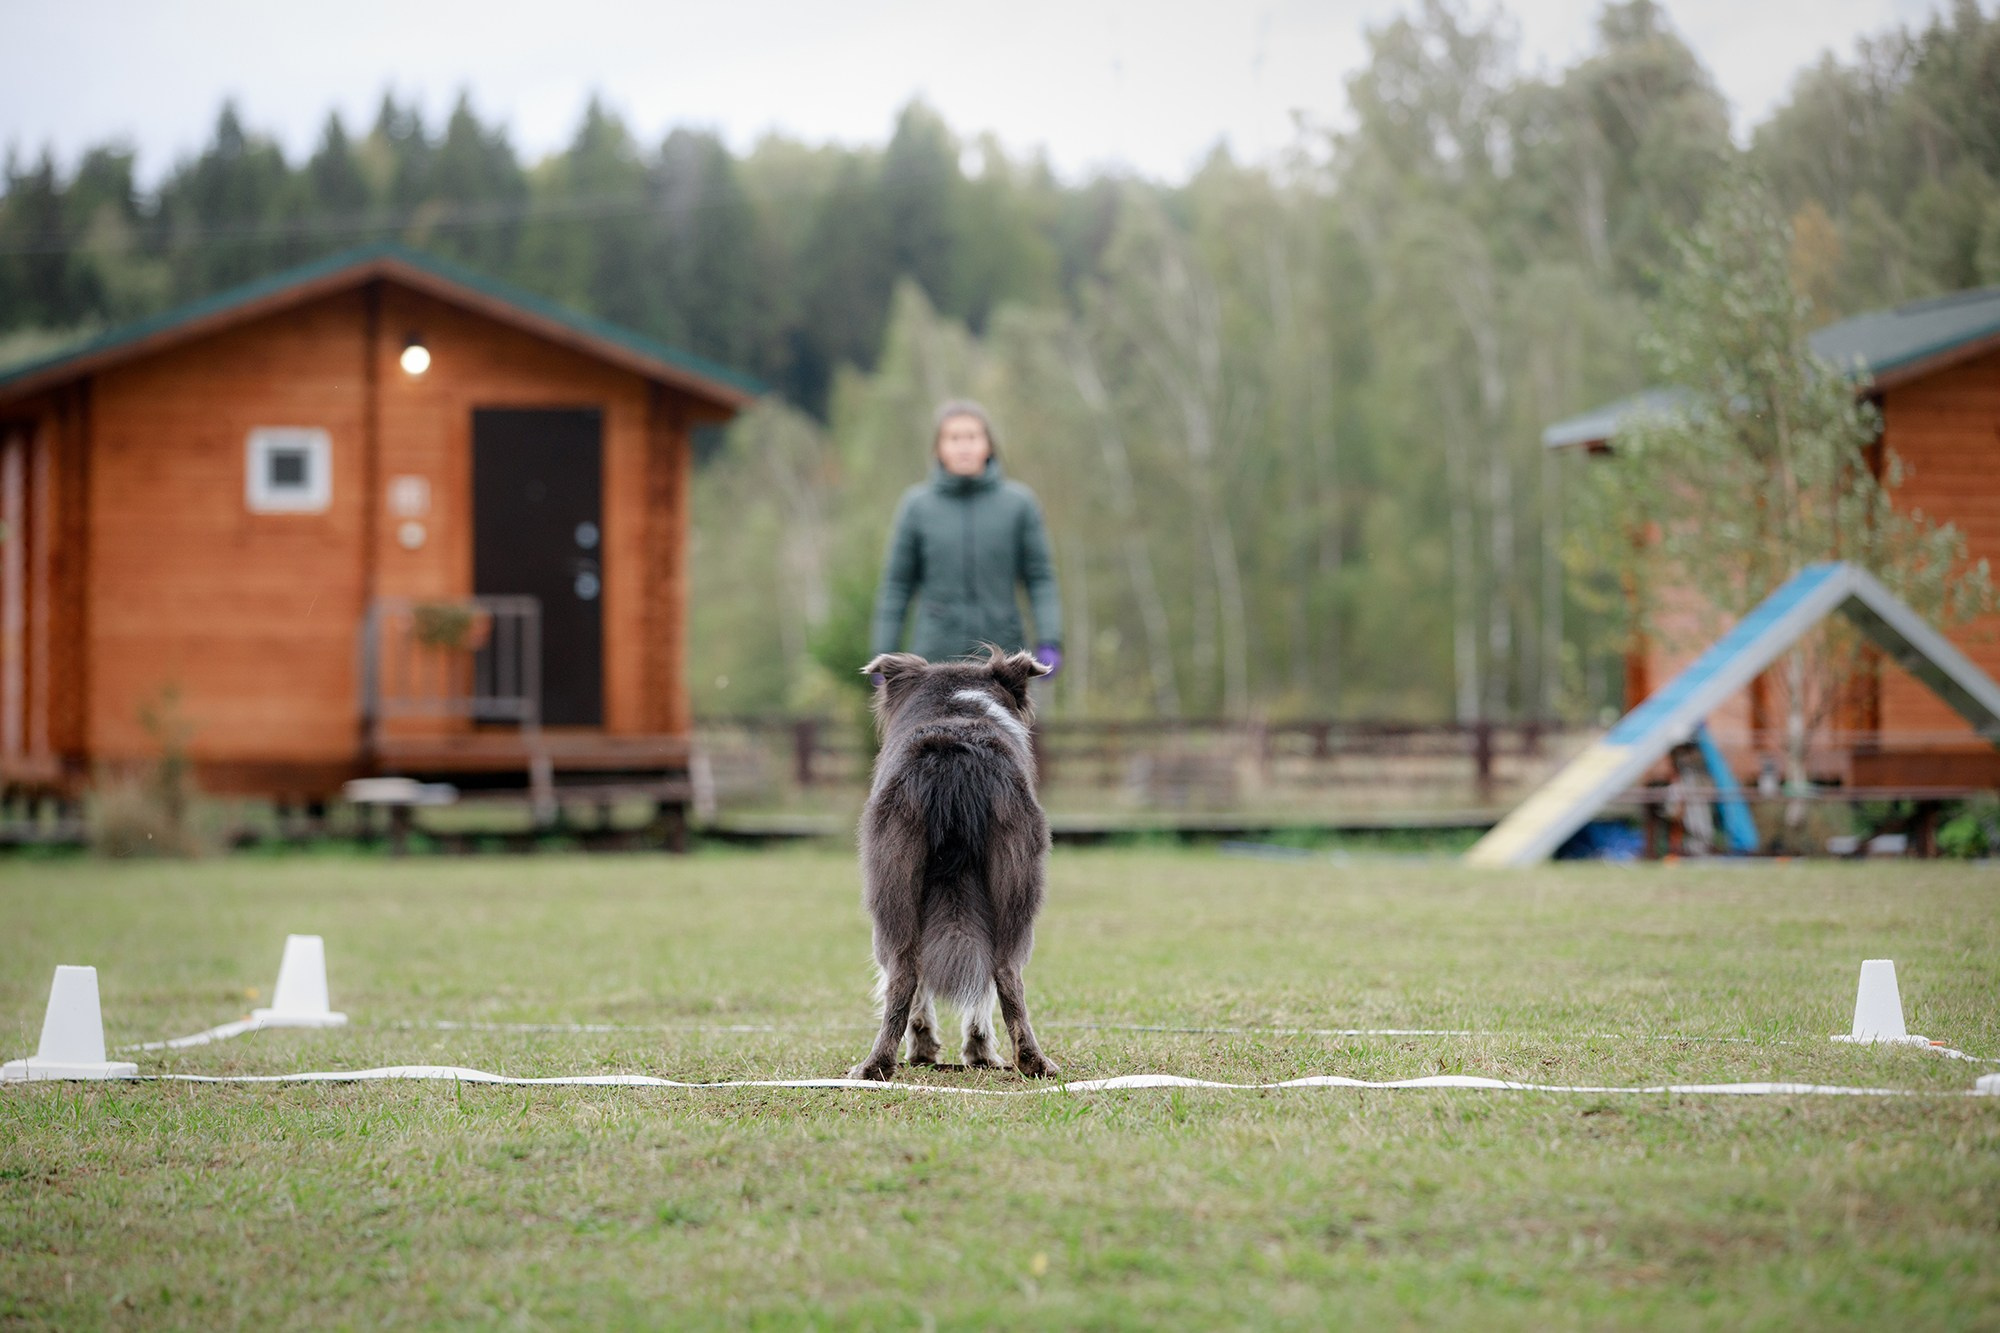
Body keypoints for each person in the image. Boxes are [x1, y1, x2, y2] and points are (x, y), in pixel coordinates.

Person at [870, 399, 1062, 677]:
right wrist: (883, 653)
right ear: (938, 448)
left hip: (1003, 663)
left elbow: (1040, 578)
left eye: (972, 436)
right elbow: (897, 586)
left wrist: (1050, 639)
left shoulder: (1019, 504)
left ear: (989, 445)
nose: (964, 446)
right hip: (934, 663)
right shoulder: (917, 507)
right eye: (953, 438)